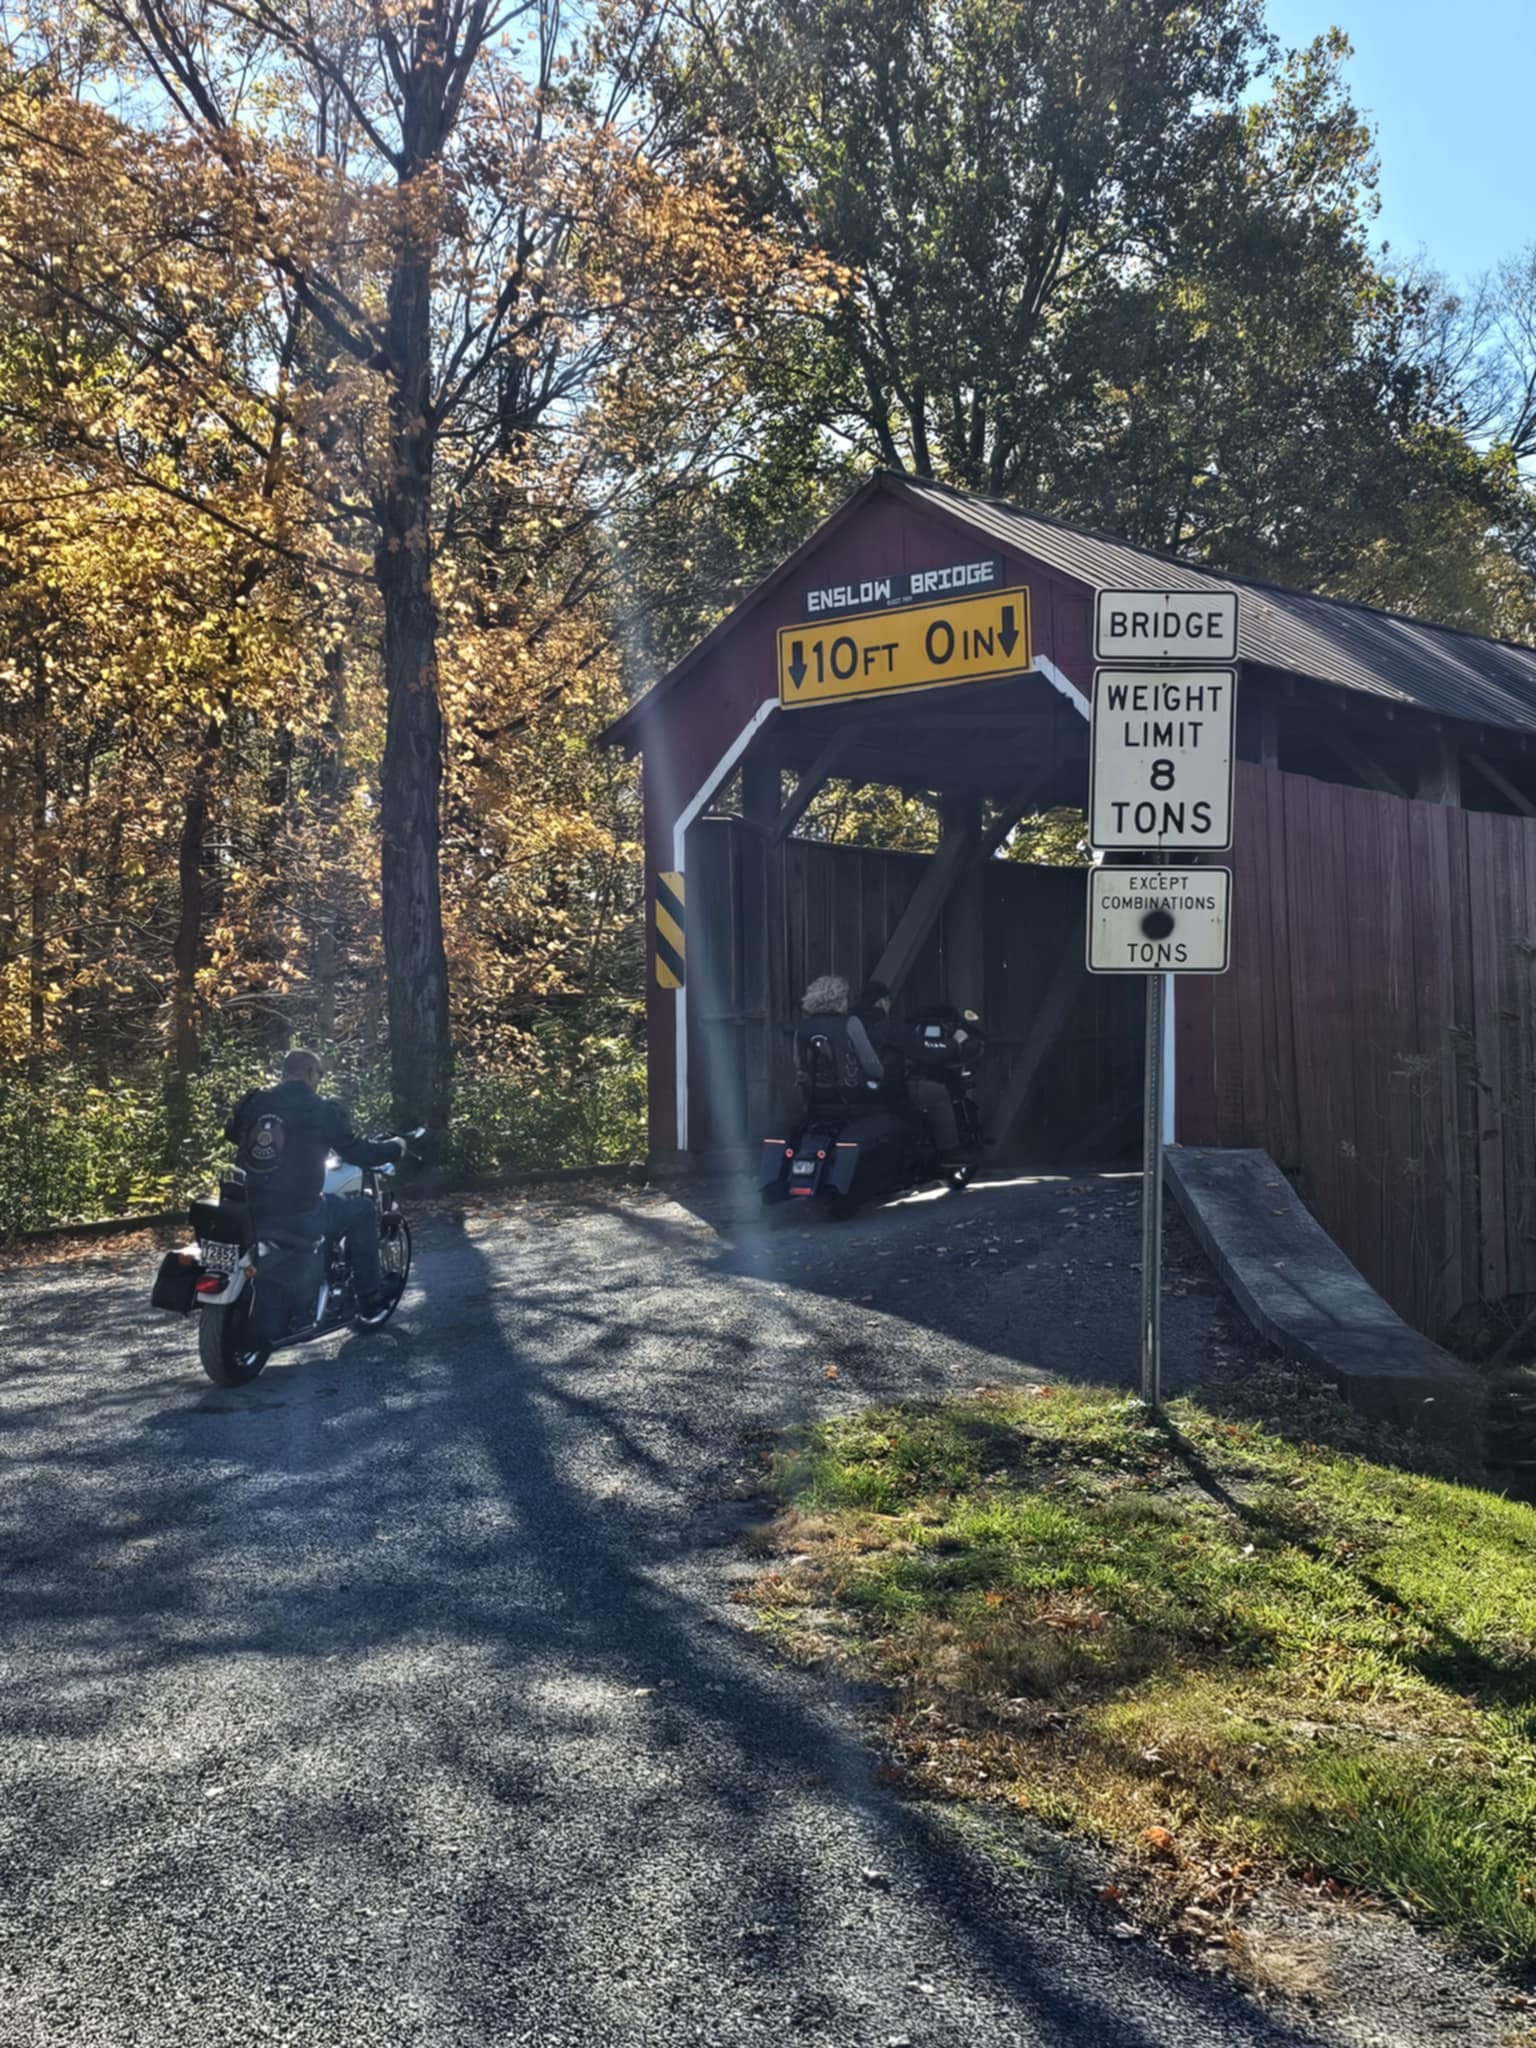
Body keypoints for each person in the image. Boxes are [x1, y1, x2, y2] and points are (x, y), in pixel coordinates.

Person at [224, 1048, 406, 1321]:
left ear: (284, 1074)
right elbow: (357, 1152)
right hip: (297, 1213)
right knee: (362, 1209)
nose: (319, 1080)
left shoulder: (253, 1102)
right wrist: (395, 1147)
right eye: (318, 1074)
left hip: (248, 1211)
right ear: (310, 1073)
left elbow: (232, 1134)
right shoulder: (322, 1109)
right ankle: (370, 1296)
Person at [856, 979, 964, 1161]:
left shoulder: (851, 1022)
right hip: (888, 1091)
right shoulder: (885, 1025)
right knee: (938, 1093)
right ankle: (950, 1152)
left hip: (854, 1091)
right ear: (882, 1002)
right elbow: (925, 1051)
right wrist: (954, 1042)